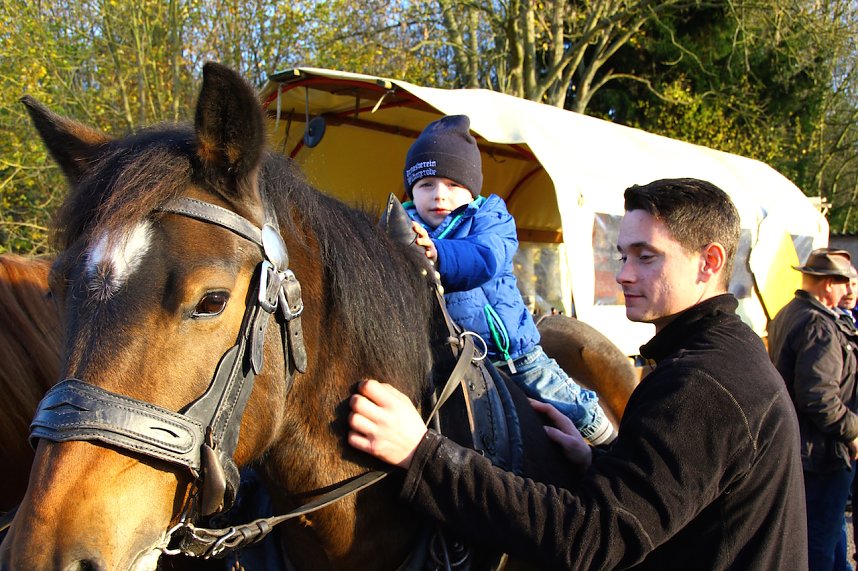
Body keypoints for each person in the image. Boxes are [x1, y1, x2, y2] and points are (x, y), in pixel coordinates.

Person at [349, 177, 807, 570]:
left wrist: (422, 454)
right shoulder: (723, 352)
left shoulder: (701, 384)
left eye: (646, 257)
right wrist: (599, 462)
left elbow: (589, 540)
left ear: (709, 262)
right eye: (623, 256)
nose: (624, 275)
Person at [402, 114, 614, 444]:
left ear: (471, 189)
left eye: (453, 185)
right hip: (442, 355)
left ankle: (611, 444)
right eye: (426, 185)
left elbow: (485, 256)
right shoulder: (401, 226)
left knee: (566, 402)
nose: (439, 195)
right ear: (412, 191)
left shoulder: (490, 218)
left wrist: (438, 253)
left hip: (509, 355)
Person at [768, 249, 858, 571]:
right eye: (845, 282)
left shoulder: (789, 312)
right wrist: (853, 431)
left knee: (827, 536)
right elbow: (818, 396)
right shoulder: (818, 325)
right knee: (819, 541)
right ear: (828, 284)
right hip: (822, 453)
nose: (849, 290)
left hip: (805, 448)